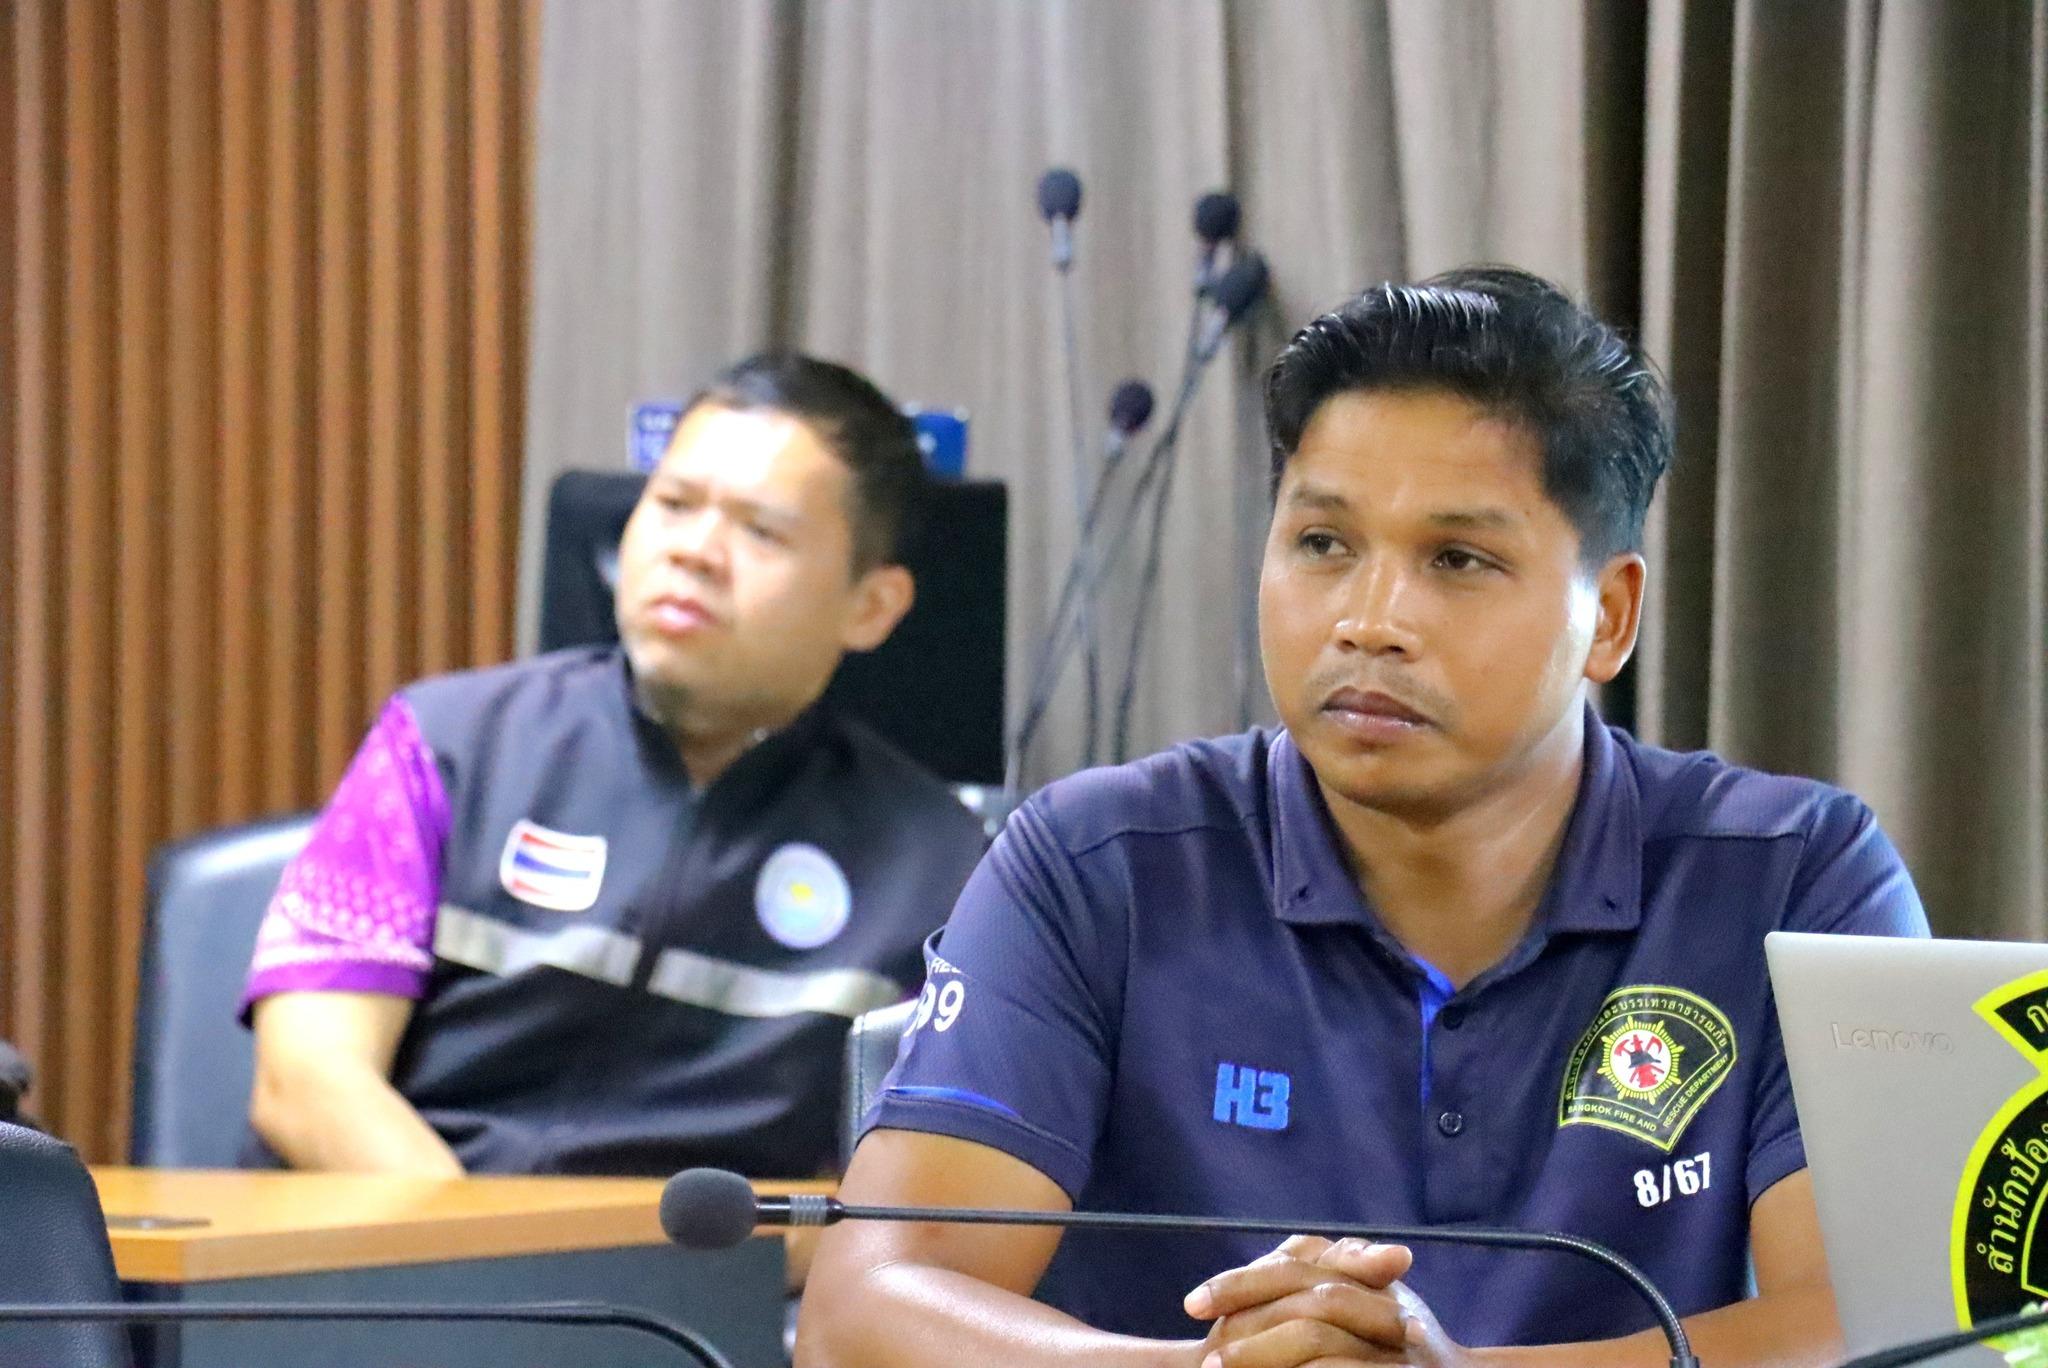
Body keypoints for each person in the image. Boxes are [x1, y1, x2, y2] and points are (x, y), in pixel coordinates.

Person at [797, 268, 1928, 1368]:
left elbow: (1907, 1330)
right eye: (1323, 544)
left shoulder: (1796, 880)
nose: (1370, 620)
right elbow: (862, 1316)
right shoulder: (1099, 865)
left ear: (1610, 617)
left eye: (1458, 559)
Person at [242, 352, 987, 1182]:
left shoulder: (937, 866)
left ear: (871, 606)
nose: (695, 551)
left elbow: (903, 1185)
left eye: (761, 531)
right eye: (673, 504)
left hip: (705, 1262)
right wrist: (486, 1256)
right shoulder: (448, 745)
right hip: (402, 1238)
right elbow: (308, 1083)